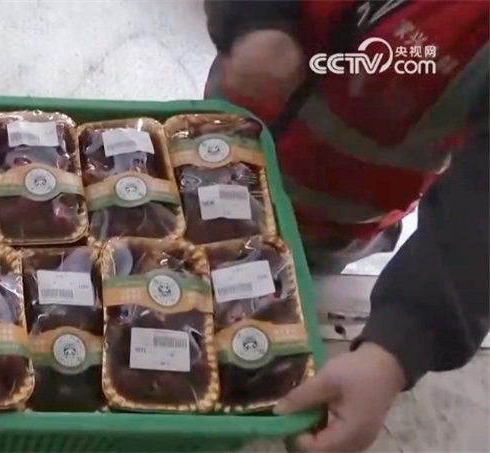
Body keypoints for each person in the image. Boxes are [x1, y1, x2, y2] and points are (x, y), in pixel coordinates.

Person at [204, 1, 488, 451]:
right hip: (211, 154)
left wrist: (397, 346)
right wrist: (254, 19)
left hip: (321, 231)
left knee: (251, 320)